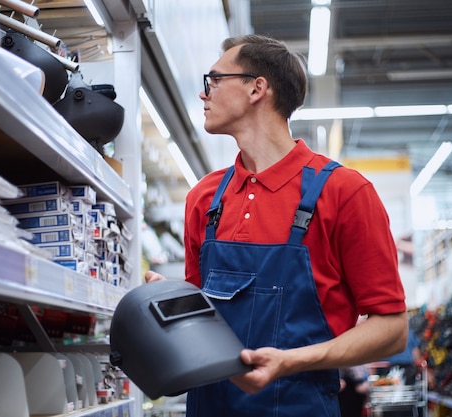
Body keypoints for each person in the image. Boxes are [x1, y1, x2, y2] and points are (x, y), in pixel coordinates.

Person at [145, 34, 408, 417]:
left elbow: (392, 328)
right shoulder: (204, 198)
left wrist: (291, 361)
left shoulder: (344, 193)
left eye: (215, 80)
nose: (205, 94)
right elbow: (203, 316)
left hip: (300, 405)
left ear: (257, 88)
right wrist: (172, 301)